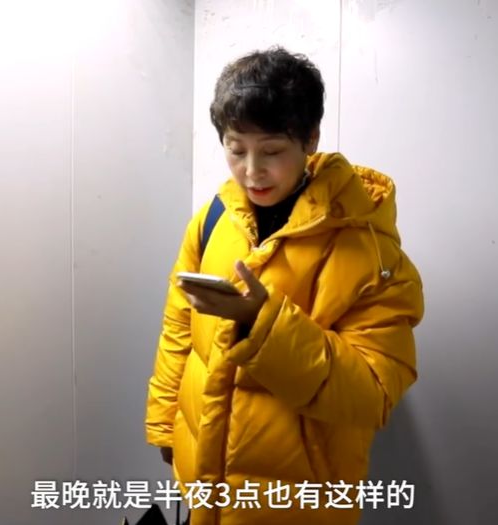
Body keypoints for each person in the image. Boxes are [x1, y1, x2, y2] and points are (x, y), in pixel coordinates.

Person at [144, 46, 424, 525]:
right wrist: (165, 426)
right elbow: (178, 331)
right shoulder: (214, 219)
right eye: (236, 149)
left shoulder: (368, 247)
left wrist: (262, 324)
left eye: (272, 151)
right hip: (205, 487)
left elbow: (374, 392)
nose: (252, 170)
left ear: (310, 139)